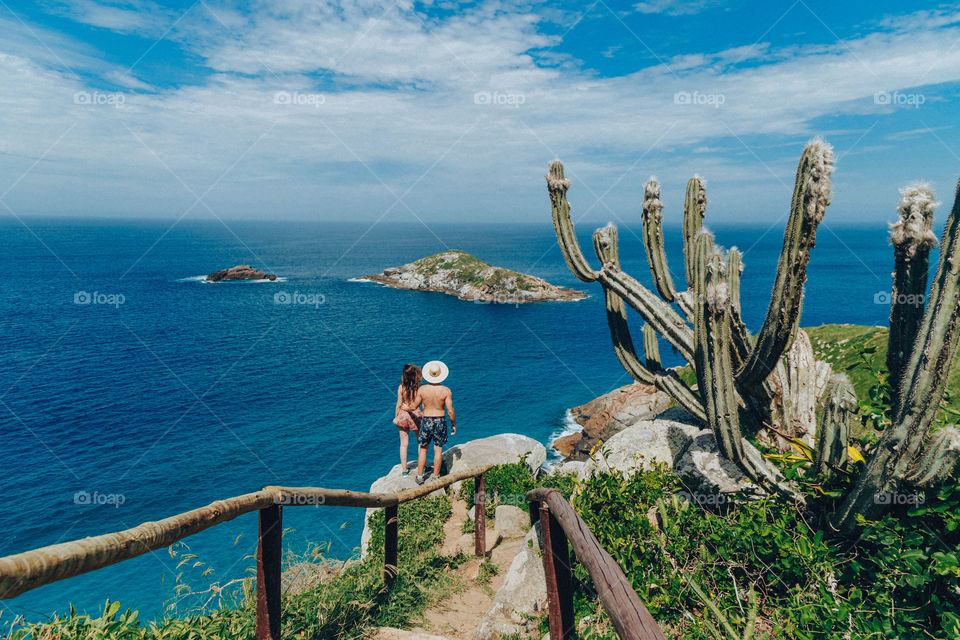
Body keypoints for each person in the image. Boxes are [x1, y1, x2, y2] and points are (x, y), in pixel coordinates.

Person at [415, 360, 455, 485]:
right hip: (440, 420)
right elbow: (450, 411)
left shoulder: (422, 389)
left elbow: (415, 406)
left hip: (426, 420)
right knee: (438, 450)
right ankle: (436, 476)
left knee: (423, 449)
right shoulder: (446, 391)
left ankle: (420, 476)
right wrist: (453, 424)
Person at [393, 363, 423, 477]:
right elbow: (422, 404)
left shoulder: (401, 387)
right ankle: (422, 467)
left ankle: (404, 470)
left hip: (403, 415)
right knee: (420, 442)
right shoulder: (419, 387)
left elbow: (399, 404)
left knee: (403, 444)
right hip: (416, 415)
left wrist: (396, 417)